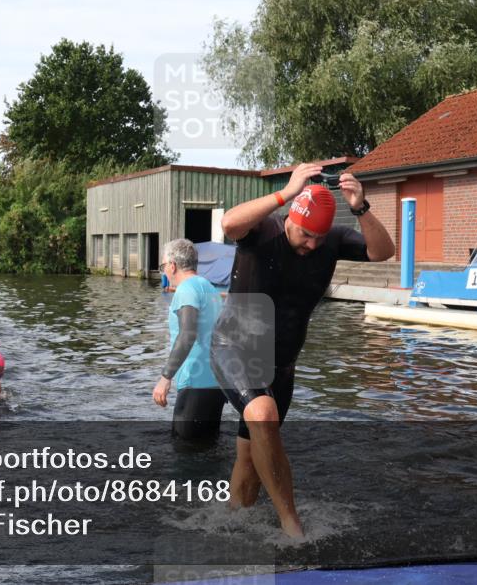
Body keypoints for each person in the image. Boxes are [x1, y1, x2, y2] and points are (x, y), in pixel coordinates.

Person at [210, 164, 395, 537]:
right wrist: (285, 192)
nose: (312, 244)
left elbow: (383, 252)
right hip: (235, 349)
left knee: (251, 462)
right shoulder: (264, 231)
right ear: (291, 218)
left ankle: (228, 529)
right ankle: (293, 529)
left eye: (319, 238)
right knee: (263, 413)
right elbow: (229, 224)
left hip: (282, 367)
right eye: (306, 234)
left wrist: (360, 208)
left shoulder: (332, 240)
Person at [152, 239, 225, 440]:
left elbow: (187, 334)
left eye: (163, 267)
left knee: (185, 448)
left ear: (172, 266)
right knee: (208, 447)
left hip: (196, 383)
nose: (164, 272)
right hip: (217, 383)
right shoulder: (209, 288)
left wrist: (165, 378)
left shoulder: (186, 289)